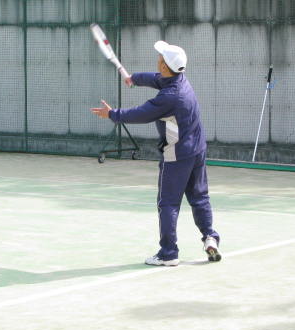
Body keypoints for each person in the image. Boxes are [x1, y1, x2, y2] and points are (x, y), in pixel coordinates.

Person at [91, 40, 221, 266]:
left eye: (160, 57)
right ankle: (210, 237)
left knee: (168, 203)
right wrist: (133, 79)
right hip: (197, 149)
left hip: (177, 154)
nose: (158, 59)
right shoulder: (179, 80)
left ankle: (168, 253)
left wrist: (112, 114)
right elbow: (155, 79)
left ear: (164, 65)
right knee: (199, 197)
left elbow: (141, 113)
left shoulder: (169, 97)